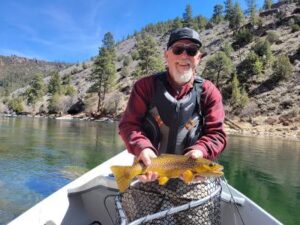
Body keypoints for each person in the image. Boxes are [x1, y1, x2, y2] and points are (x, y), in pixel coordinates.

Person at [118, 27, 227, 224]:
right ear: (166, 55)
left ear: (198, 58)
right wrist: (143, 148)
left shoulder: (210, 92)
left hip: (193, 180)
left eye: (192, 51)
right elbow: (128, 125)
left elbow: (217, 134)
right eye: (178, 50)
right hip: (150, 171)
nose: (184, 55)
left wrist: (200, 151)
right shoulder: (145, 86)